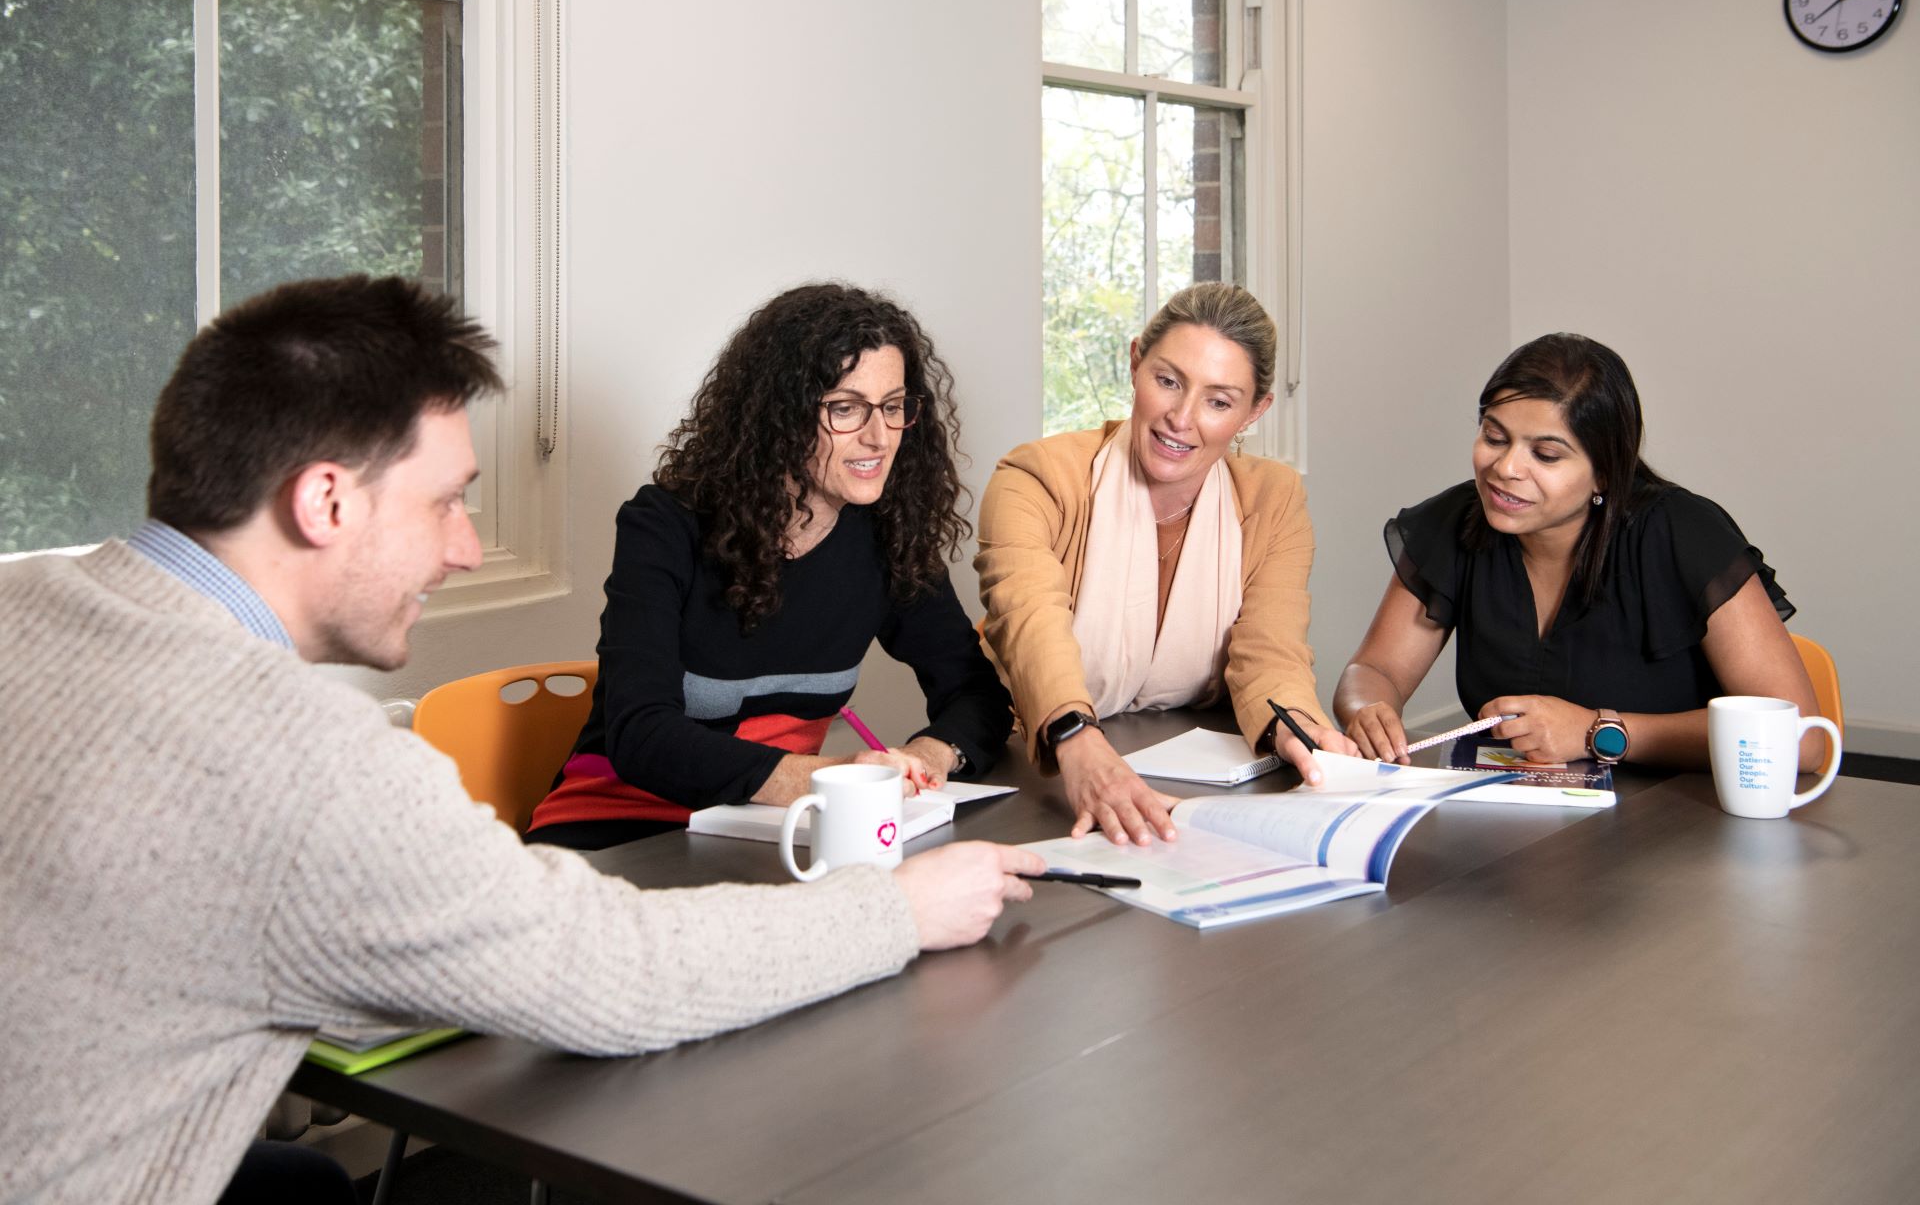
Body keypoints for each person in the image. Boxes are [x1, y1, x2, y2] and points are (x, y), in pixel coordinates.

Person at [0, 276, 1043, 1205]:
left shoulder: (21, 602)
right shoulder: (304, 757)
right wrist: (895, 908)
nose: (462, 547)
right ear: (324, 500)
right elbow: (603, 972)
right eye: (449, 499)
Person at [525, 283, 1015, 851]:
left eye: (894, 406)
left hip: (768, 832)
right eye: (845, 408)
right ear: (779, 415)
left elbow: (975, 694)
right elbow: (642, 735)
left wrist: (922, 759)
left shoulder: (888, 532)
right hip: (617, 827)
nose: (879, 437)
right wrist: (832, 778)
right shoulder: (663, 525)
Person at [975, 282, 1356, 849]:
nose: (1181, 417)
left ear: (1255, 411)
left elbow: (1270, 650)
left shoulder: (1274, 499)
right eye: (1168, 381)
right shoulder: (1035, 478)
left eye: (1219, 401)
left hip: (1188, 779)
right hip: (1027, 761)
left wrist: (1299, 730)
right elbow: (1027, 620)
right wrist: (1076, 737)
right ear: (1135, 364)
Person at [1334, 332, 1819, 770]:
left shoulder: (1681, 532)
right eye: (1493, 436)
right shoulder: (1455, 523)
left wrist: (1598, 731)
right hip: (1521, 829)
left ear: (1606, 473)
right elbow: (1375, 670)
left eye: (1545, 455)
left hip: (1685, 826)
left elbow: (1799, 740)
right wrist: (1369, 709)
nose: (1505, 468)